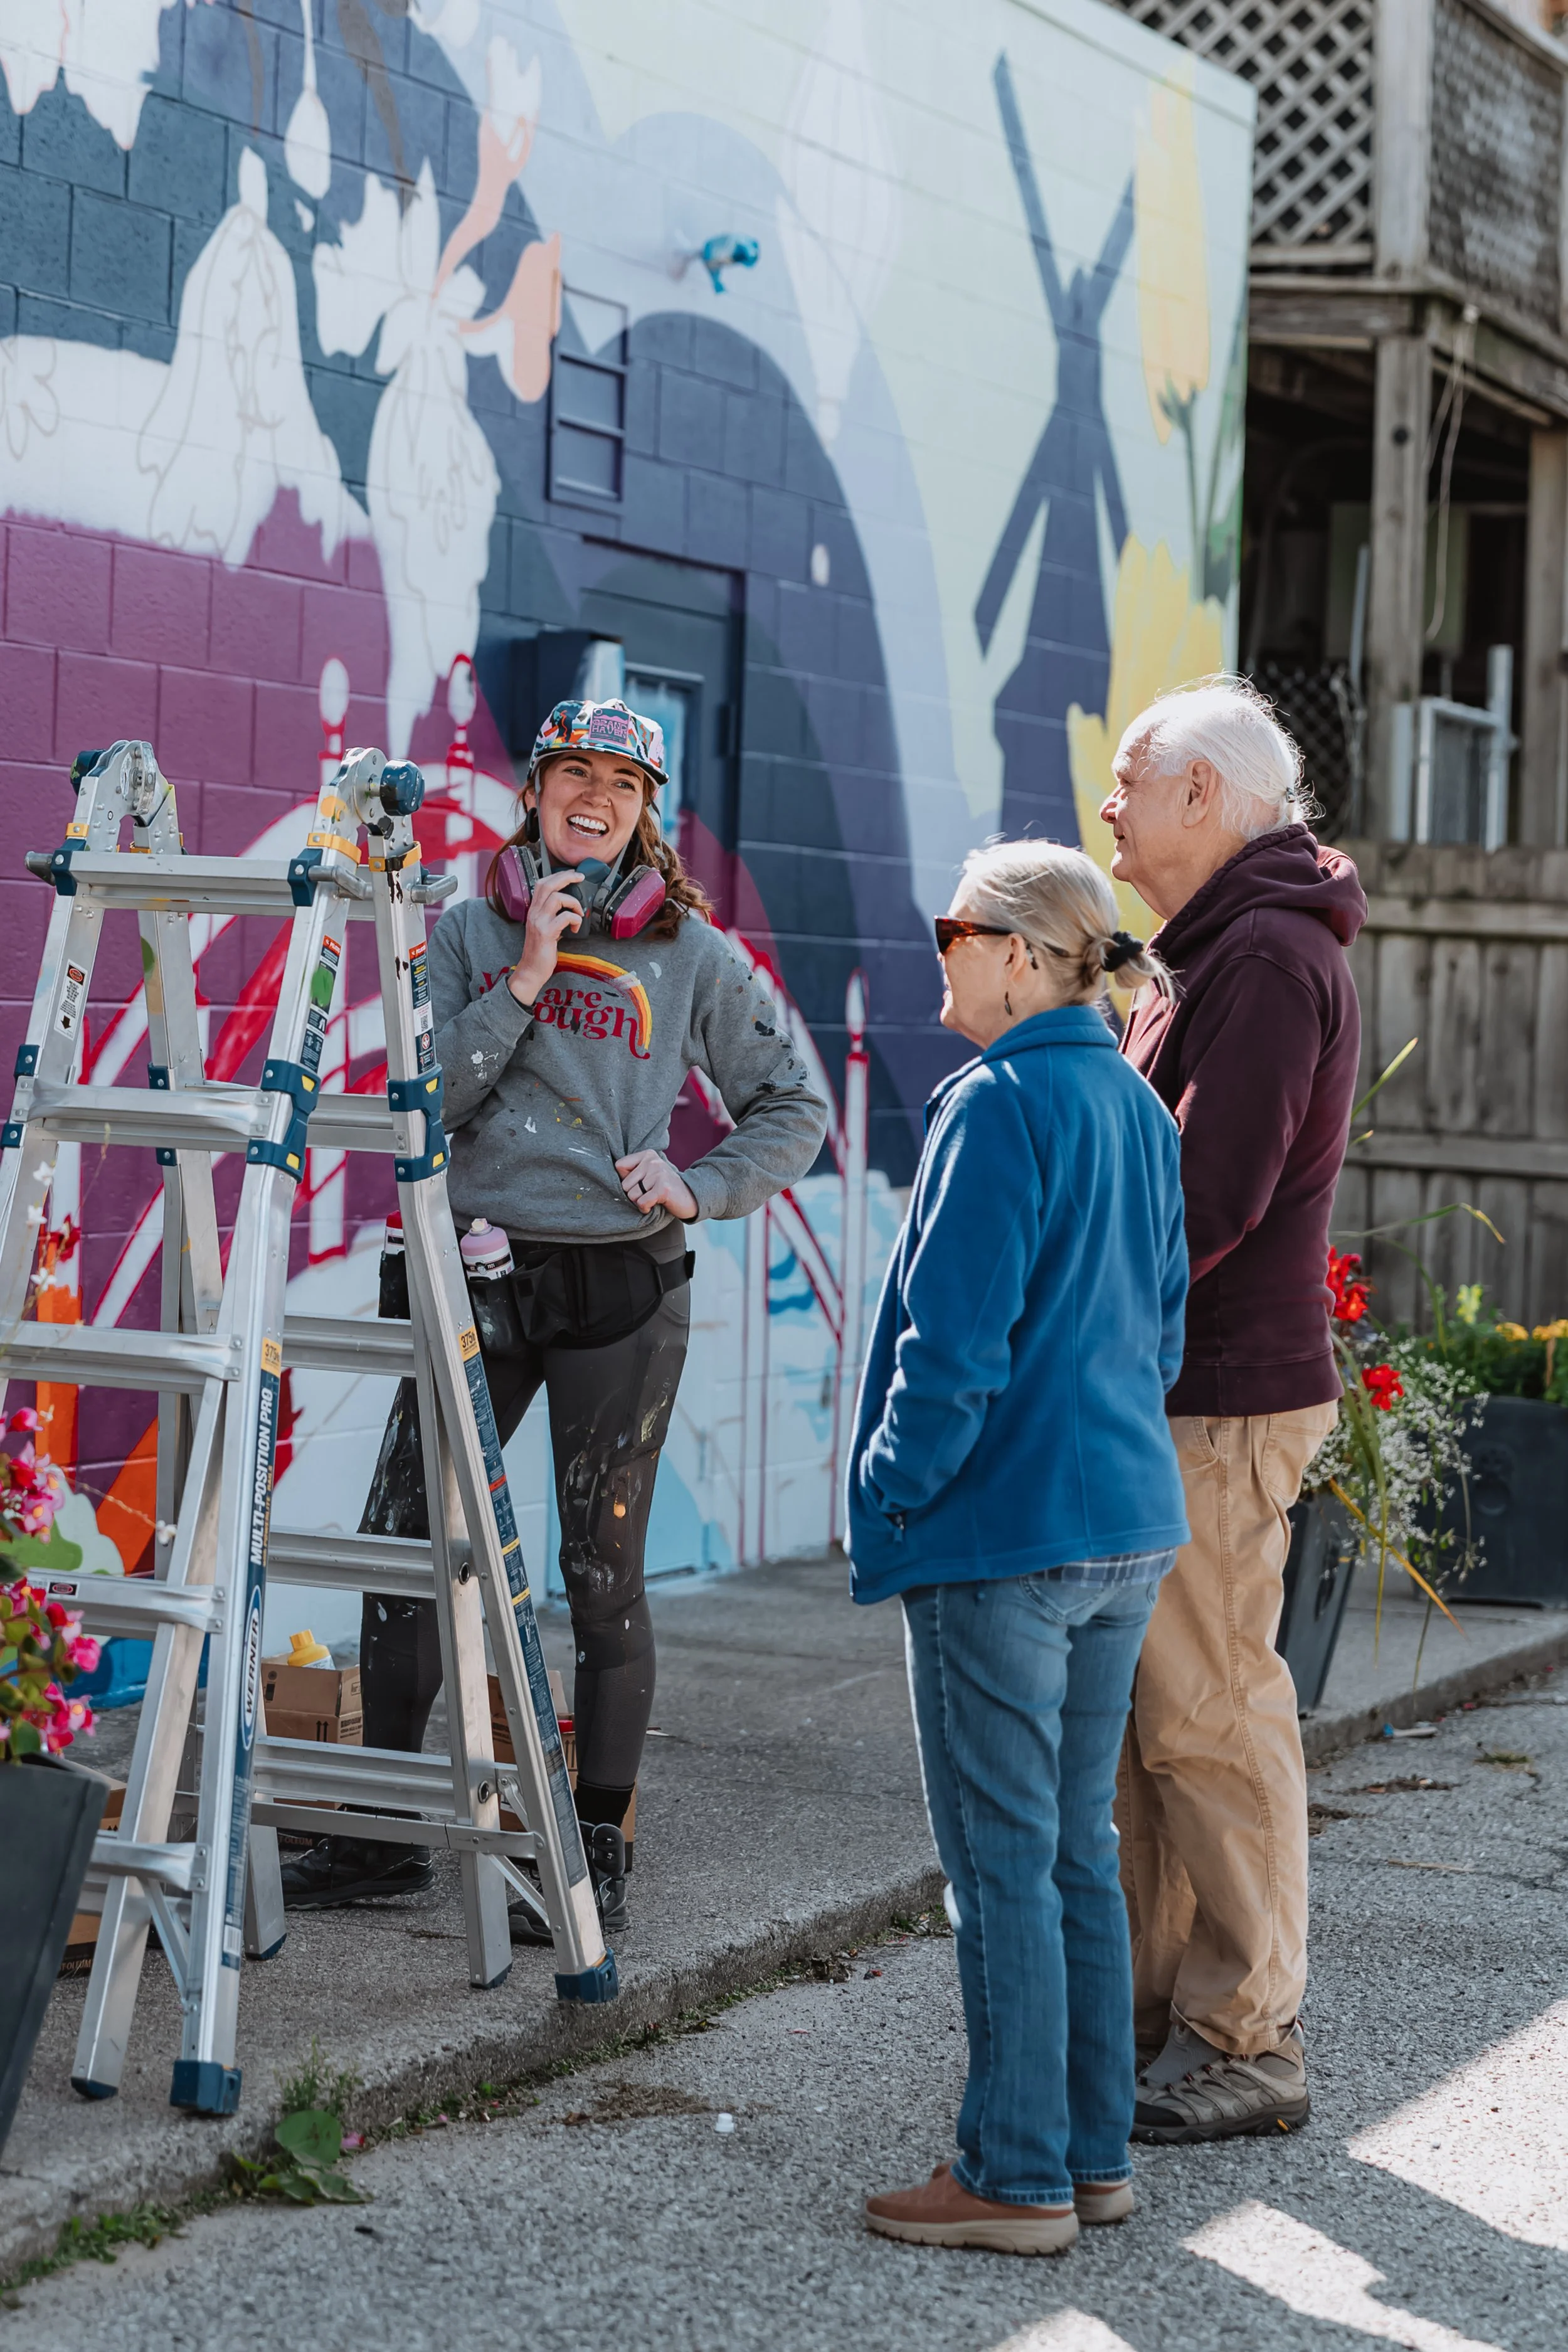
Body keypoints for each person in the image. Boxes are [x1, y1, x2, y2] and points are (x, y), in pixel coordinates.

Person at [282, 697, 827, 1934]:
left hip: (616, 1294)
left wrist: (701, 1184)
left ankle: (592, 1845)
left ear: (649, 815)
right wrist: (526, 973)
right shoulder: (471, 928)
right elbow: (426, 1097)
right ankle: (380, 1839)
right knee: (405, 1551)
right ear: (533, 792)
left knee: (600, 1575)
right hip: (477, 1275)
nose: (595, 797)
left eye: (622, 785)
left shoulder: (690, 952)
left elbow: (788, 1105)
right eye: (573, 773)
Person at [850, 842, 1189, 2256]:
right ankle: (1087, 2157)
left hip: (1004, 1534)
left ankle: (1011, 2176)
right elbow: (1164, 1325)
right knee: (1069, 1857)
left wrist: (889, 1486)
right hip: (1118, 1524)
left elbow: (952, 1351)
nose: (937, 951)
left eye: (953, 928)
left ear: (1018, 952)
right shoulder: (1127, 1099)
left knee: (1001, 1858)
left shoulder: (996, 1106)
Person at [1098, 676, 1366, 2143]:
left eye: (1129, 778)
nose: (1107, 807)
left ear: (1204, 795)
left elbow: (1203, 1200)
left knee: (1205, 1714)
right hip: (1184, 1388)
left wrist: (1063, 1299)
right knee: (1163, 1722)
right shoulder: (1208, 952)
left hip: (1220, 1397)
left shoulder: (1258, 955)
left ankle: (1248, 2034)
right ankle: (1171, 2016)